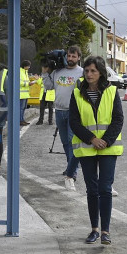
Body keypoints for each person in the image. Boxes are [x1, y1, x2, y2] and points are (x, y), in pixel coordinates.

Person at [69, 56, 123, 245]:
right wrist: (92, 139)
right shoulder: (77, 93)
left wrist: (105, 141)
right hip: (87, 147)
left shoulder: (112, 91)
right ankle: (94, 230)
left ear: (101, 72)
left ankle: (106, 231)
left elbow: (118, 119)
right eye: (86, 71)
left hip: (108, 148)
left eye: (93, 71)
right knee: (92, 190)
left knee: (105, 189)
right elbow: (73, 121)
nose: (89, 74)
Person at [42, 46, 83, 190]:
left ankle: (73, 172)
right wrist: (45, 72)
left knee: (73, 142)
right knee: (65, 142)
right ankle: (70, 167)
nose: (70, 59)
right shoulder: (57, 72)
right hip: (59, 111)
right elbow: (48, 87)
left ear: (78, 58)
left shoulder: (82, 72)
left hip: (74, 112)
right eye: (69, 56)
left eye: (74, 56)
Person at [19, 60, 34, 125]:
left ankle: (22, 120)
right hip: (21, 94)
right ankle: (20, 120)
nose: (29, 67)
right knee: (21, 108)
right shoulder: (20, 72)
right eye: (28, 66)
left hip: (25, 94)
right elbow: (19, 82)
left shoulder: (25, 72)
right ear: (25, 66)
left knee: (24, 108)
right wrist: (28, 84)